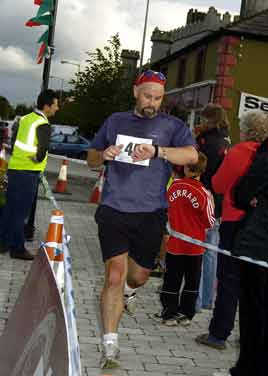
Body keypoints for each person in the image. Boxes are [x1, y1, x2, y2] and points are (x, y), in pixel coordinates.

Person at [87, 70, 198, 369]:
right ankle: (110, 345)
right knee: (113, 274)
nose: (152, 102)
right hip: (113, 209)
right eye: (148, 96)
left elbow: (191, 157)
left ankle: (130, 292)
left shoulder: (171, 125)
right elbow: (91, 158)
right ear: (136, 92)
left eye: (158, 98)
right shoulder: (115, 121)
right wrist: (104, 155)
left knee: (138, 276)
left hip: (150, 213)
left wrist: (159, 151)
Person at [196, 110, 268, 352]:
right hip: (261, 226)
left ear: (246, 129)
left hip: (235, 222)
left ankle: (219, 334)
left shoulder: (239, 152)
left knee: (229, 279)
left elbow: (218, 184)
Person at [154, 152, 215, 327]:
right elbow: (210, 221)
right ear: (203, 170)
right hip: (195, 246)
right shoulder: (204, 193)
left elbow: (164, 208)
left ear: (186, 167)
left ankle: (169, 312)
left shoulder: (173, 187)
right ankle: (186, 314)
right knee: (192, 281)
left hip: (174, 244)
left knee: (172, 279)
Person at [0, 89, 59, 260]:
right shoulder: (43, 124)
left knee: (10, 209)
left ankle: (3, 243)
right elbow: (41, 152)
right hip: (28, 172)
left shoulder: (25, 119)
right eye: (55, 105)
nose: (57, 108)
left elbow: (14, 141)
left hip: (15, 168)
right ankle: (17, 249)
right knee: (21, 213)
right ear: (47, 106)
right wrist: (37, 158)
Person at [195, 103, 231, 311]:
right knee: (211, 253)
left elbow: (199, 168)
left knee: (198, 249)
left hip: (204, 199)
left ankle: (196, 300)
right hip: (219, 203)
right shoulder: (227, 140)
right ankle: (208, 298)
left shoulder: (207, 141)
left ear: (209, 119)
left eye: (202, 119)